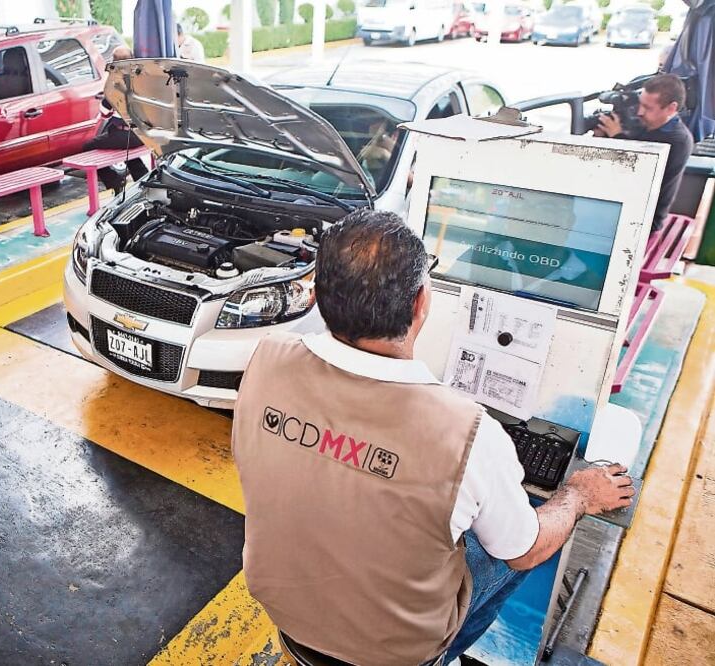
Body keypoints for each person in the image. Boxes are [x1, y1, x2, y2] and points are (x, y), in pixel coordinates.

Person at [232, 209, 635, 666]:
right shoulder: (468, 430)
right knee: (521, 532)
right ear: (422, 302)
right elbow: (524, 552)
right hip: (392, 654)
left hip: (285, 612)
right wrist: (579, 495)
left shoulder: (264, 361)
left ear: (318, 294)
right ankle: (442, 654)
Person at [594, 74, 695, 233]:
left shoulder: (678, 141)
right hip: (623, 204)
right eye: (641, 104)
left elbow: (637, 176)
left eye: (648, 108)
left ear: (671, 108)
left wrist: (618, 137)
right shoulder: (646, 124)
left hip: (645, 219)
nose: (640, 112)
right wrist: (601, 138)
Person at [82, 46, 150, 194]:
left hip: (125, 135)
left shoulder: (115, 83)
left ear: (115, 62)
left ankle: (113, 180)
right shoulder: (143, 78)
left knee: (88, 146)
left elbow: (105, 113)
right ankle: (144, 179)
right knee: (126, 152)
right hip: (143, 134)